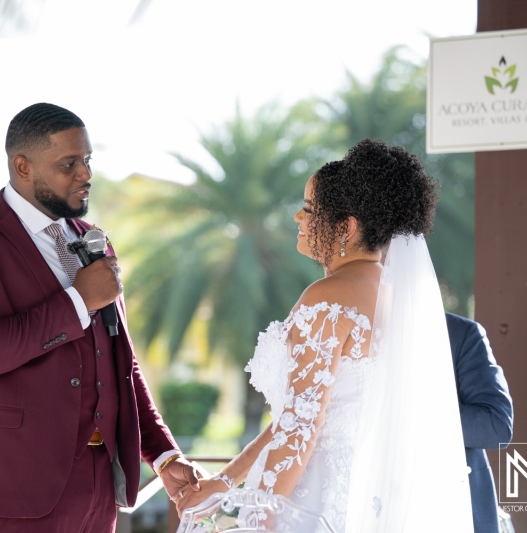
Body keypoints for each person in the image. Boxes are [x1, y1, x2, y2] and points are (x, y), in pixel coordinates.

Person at [0, 103, 199, 533]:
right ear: (22, 166)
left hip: (96, 488)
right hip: (5, 489)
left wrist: (163, 455)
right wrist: (77, 302)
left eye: (87, 160)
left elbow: (120, 362)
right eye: (69, 163)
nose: (85, 174)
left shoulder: (93, 241)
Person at [176, 139, 474, 532]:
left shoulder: (328, 298)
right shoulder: (392, 296)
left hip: (309, 503)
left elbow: (302, 423)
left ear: (345, 227)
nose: (298, 218)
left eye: (309, 209)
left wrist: (262, 516)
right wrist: (226, 479)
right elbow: (298, 414)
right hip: (367, 498)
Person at [446, 312, 514, 533]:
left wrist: (417, 413)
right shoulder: (340, 326)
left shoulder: (459, 333)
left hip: (451, 503)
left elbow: (497, 426)